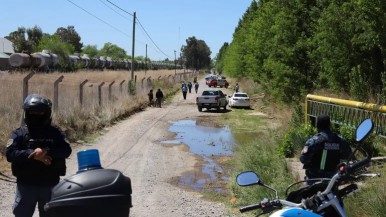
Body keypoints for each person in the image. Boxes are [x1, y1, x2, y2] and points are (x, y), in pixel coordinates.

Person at [6, 94, 72, 217]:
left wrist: (45, 151)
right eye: (33, 112)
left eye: (40, 113)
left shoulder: (56, 133)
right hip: (26, 184)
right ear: (26, 113)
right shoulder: (20, 133)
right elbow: (10, 154)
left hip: (50, 185)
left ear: (46, 113)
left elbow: (66, 150)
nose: (36, 116)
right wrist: (32, 154)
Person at [300, 114, 351, 184]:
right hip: (333, 179)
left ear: (317, 125)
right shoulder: (340, 140)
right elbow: (347, 156)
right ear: (329, 125)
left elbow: (304, 160)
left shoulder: (313, 141)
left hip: (315, 179)